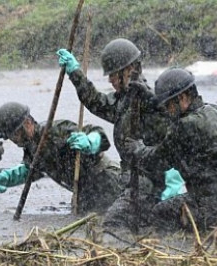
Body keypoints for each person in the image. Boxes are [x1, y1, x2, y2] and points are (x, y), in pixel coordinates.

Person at [57, 38, 172, 230]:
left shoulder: (148, 102)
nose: (110, 80)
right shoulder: (125, 100)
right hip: (129, 181)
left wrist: (168, 183)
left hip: (146, 184)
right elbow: (97, 102)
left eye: (113, 75)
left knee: (113, 224)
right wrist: (75, 73)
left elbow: (169, 139)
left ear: (129, 70)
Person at [125, 67, 217, 233]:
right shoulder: (215, 111)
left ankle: (178, 252)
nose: (166, 111)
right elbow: (176, 115)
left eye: (168, 105)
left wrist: (138, 149)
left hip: (213, 205)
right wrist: (149, 96)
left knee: (160, 213)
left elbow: (156, 160)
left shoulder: (185, 126)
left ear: (183, 97)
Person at [0, 102, 122, 214]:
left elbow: (99, 133)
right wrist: (8, 178)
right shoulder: (31, 147)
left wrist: (90, 141)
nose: (15, 140)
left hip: (106, 181)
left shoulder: (55, 130)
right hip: (84, 192)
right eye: (11, 137)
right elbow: (31, 171)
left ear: (28, 123)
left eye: (16, 134)